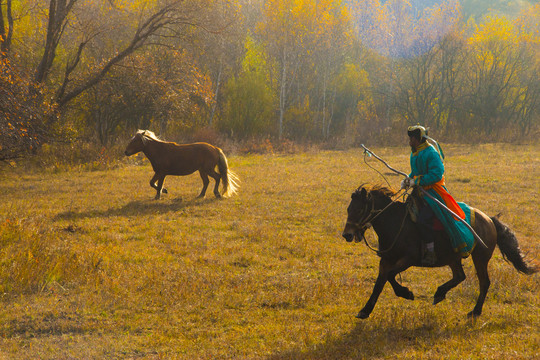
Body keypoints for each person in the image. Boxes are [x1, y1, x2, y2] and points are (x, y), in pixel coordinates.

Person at [401, 125, 469, 265]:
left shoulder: (431, 153)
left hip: (434, 193)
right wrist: (408, 180)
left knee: (422, 220)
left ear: (418, 138)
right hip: (419, 191)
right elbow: (415, 172)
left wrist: (417, 181)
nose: (410, 141)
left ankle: (431, 252)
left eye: (412, 138)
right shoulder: (414, 153)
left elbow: (436, 175)